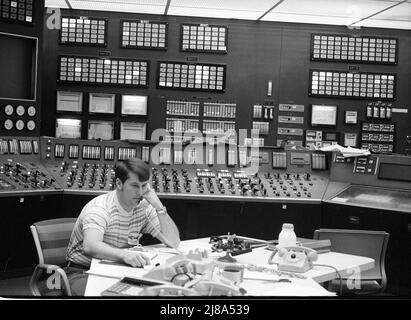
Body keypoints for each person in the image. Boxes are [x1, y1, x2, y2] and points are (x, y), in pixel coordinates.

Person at [64, 158, 181, 295]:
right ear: (119, 183)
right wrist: (124, 255)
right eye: (135, 186)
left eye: (144, 186)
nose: (141, 192)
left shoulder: (144, 208)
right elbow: (90, 245)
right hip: (82, 271)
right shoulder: (100, 208)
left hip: (117, 269)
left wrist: (159, 208)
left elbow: (173, 242)